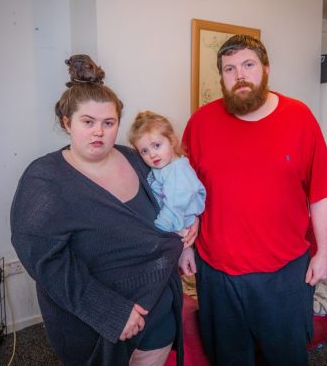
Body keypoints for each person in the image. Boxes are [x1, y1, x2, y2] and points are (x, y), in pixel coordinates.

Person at [10, 55, 197, 366]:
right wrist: (110, 311)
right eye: (88, 122)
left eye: (108, 123)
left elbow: (175, 192)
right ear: (67, 123)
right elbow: (45, 261)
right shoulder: (45, 179)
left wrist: (192, 224)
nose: (99, 132)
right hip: (100, 325)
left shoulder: (137, 159)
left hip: (158, 309)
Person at [180, 35, 327, 365]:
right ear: (222, 76)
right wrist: (184, 246)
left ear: (266, 69)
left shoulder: (300, 118)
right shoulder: (200, 122)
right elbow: (184, 194)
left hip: (284, 274)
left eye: (248, 65)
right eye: (229, 68)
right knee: (227, 358)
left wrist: (324, 252)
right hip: (216, 274)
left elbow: (321, 192)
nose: (239, 75)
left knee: (286, 358)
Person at [128, 110, 205, 240]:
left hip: (177, 225)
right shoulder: (164, 166)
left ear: (172, 141)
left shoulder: (178, 173)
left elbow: (173, 207)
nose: (152, 154)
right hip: (172, 222)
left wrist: (156, 231)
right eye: (144, 151)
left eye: (156, 145)